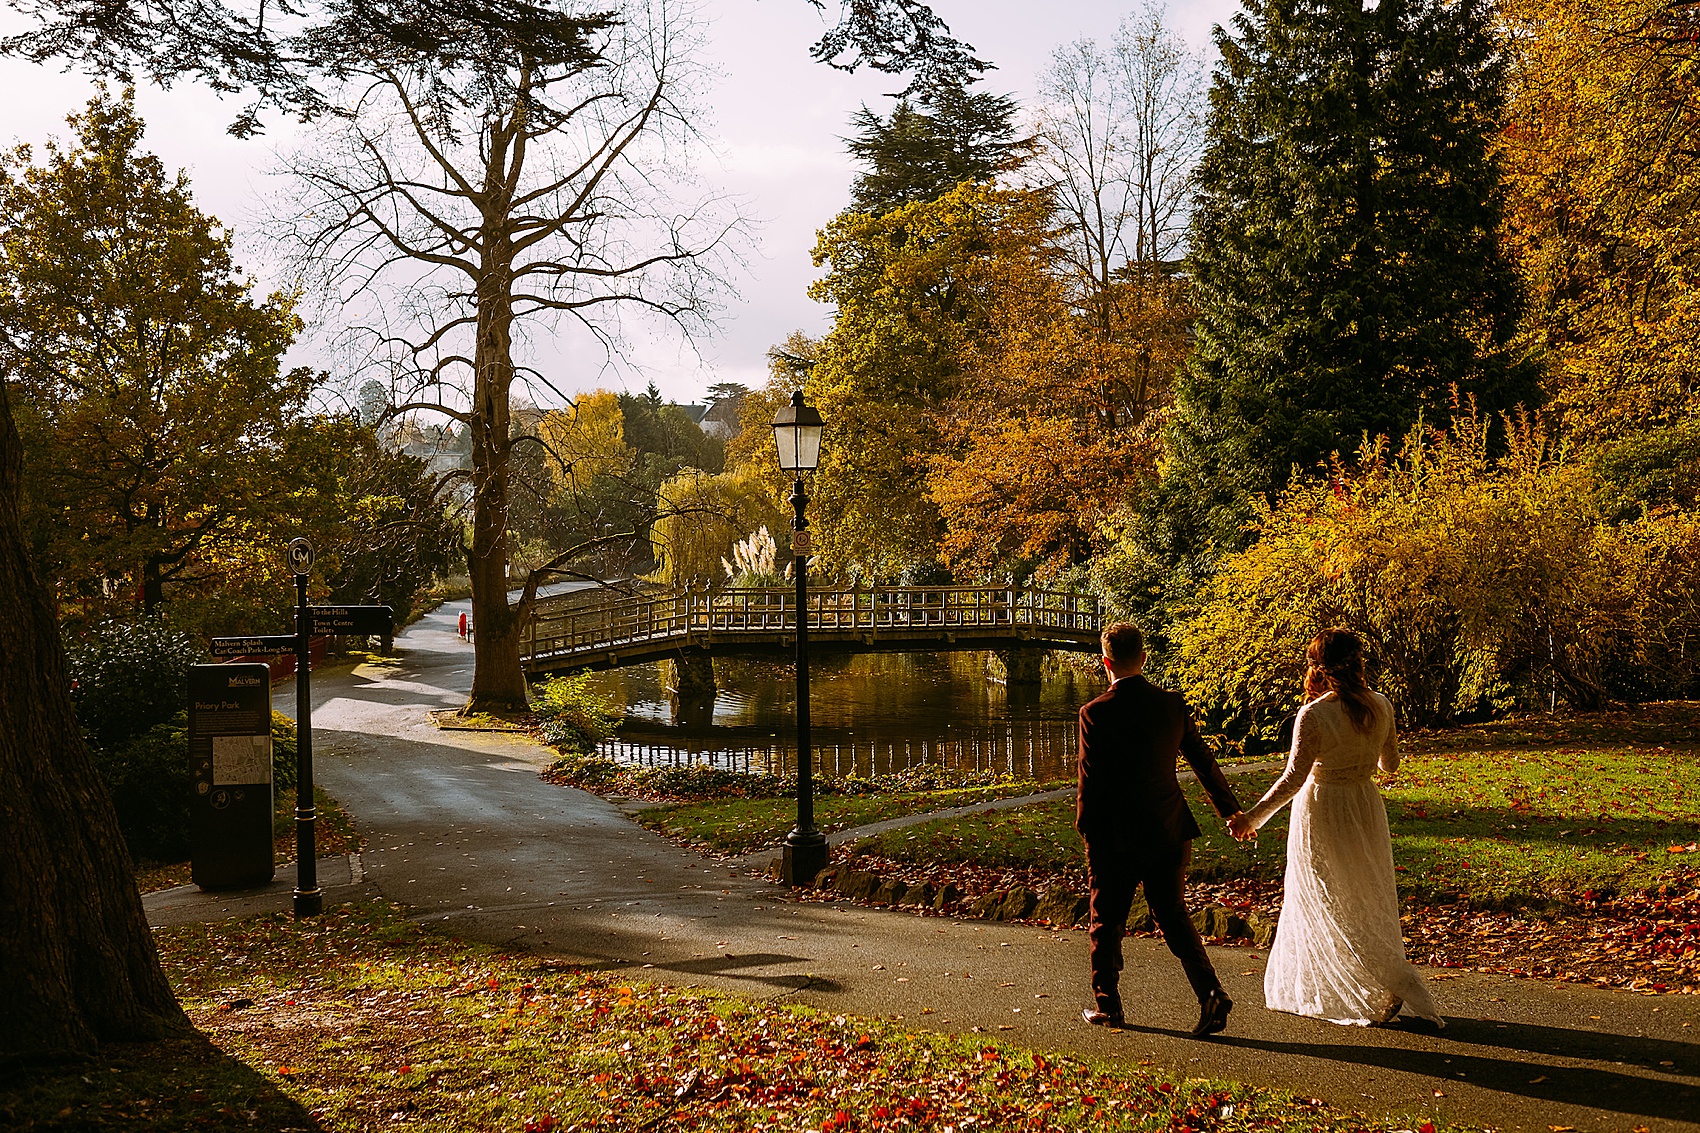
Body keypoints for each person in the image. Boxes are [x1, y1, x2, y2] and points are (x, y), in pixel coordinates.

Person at [1227, 628, 1443, 1027]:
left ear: (1318, 669)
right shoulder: (1381, 705)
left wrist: (1250, 818)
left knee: (1327, 894)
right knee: (1365, 891)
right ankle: (1382, 980)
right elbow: (1390, 765)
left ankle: (1364, 985)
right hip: (1364, 805)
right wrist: (1364, 752)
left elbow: (1293, 779)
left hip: (1323, 808)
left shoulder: (1314, 714)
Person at [1076, 621, 1244, 1037]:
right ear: (1144, 658)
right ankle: (1210, 992)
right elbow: (1203, 762)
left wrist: (1086, 829)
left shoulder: (1094, 713)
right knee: (1171, 914)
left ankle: (1108, 1005)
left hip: (1116, 833)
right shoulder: (1171, 704)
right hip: (1169, 826)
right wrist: (1230, 811)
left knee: (1106, 918)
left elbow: (1090, 780)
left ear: (1105, 662)